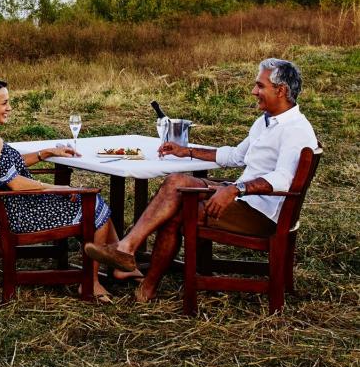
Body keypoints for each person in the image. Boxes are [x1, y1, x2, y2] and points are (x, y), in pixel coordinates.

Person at [85, 58, 317, 303]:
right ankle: (127, 251)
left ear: (280, 90)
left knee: (174, 212)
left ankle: (141, 277)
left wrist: (235, 190)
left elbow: (282, 179)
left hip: (262, 214)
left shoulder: (295, 130)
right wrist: (186, 151)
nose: (254, 91)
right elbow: (236, 155)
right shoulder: (266, 121)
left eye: (260, 86)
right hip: (245, 199)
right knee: (175, 182)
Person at [0, 76, 136, 302]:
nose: (9, 108)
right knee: (94, 203)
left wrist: (47, 153)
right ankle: (92, 281)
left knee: (91, 203)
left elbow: (11, 164)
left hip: (9, 208)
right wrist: (60, 187)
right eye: (4, 103)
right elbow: (16, 183)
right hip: (20, 216)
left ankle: (120, 260)